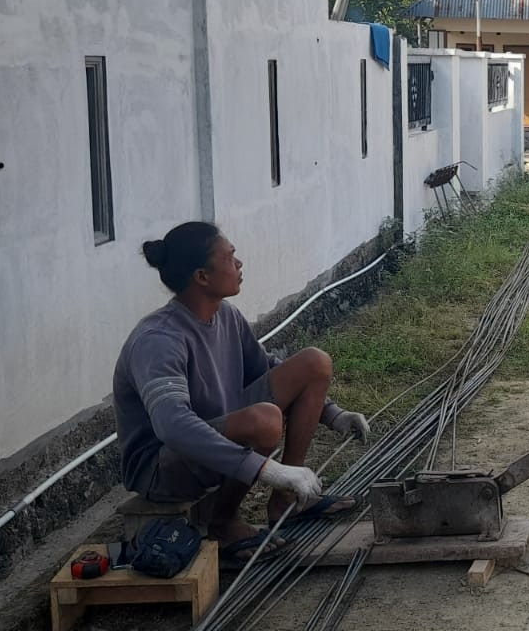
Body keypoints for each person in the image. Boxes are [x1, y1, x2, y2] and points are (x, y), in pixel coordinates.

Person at [114, 221, 370, 561]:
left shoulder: (226, 316)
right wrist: (268, 470)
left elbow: (267, 370)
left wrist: (334, 415)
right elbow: (173, 426)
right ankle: (223, 522)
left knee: (314, 362)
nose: (239, 263)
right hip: (161, 468)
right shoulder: (158, 340)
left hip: (216, 432)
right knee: (264, 420)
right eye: (229, 257)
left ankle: (286, 502)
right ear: (202, 277)